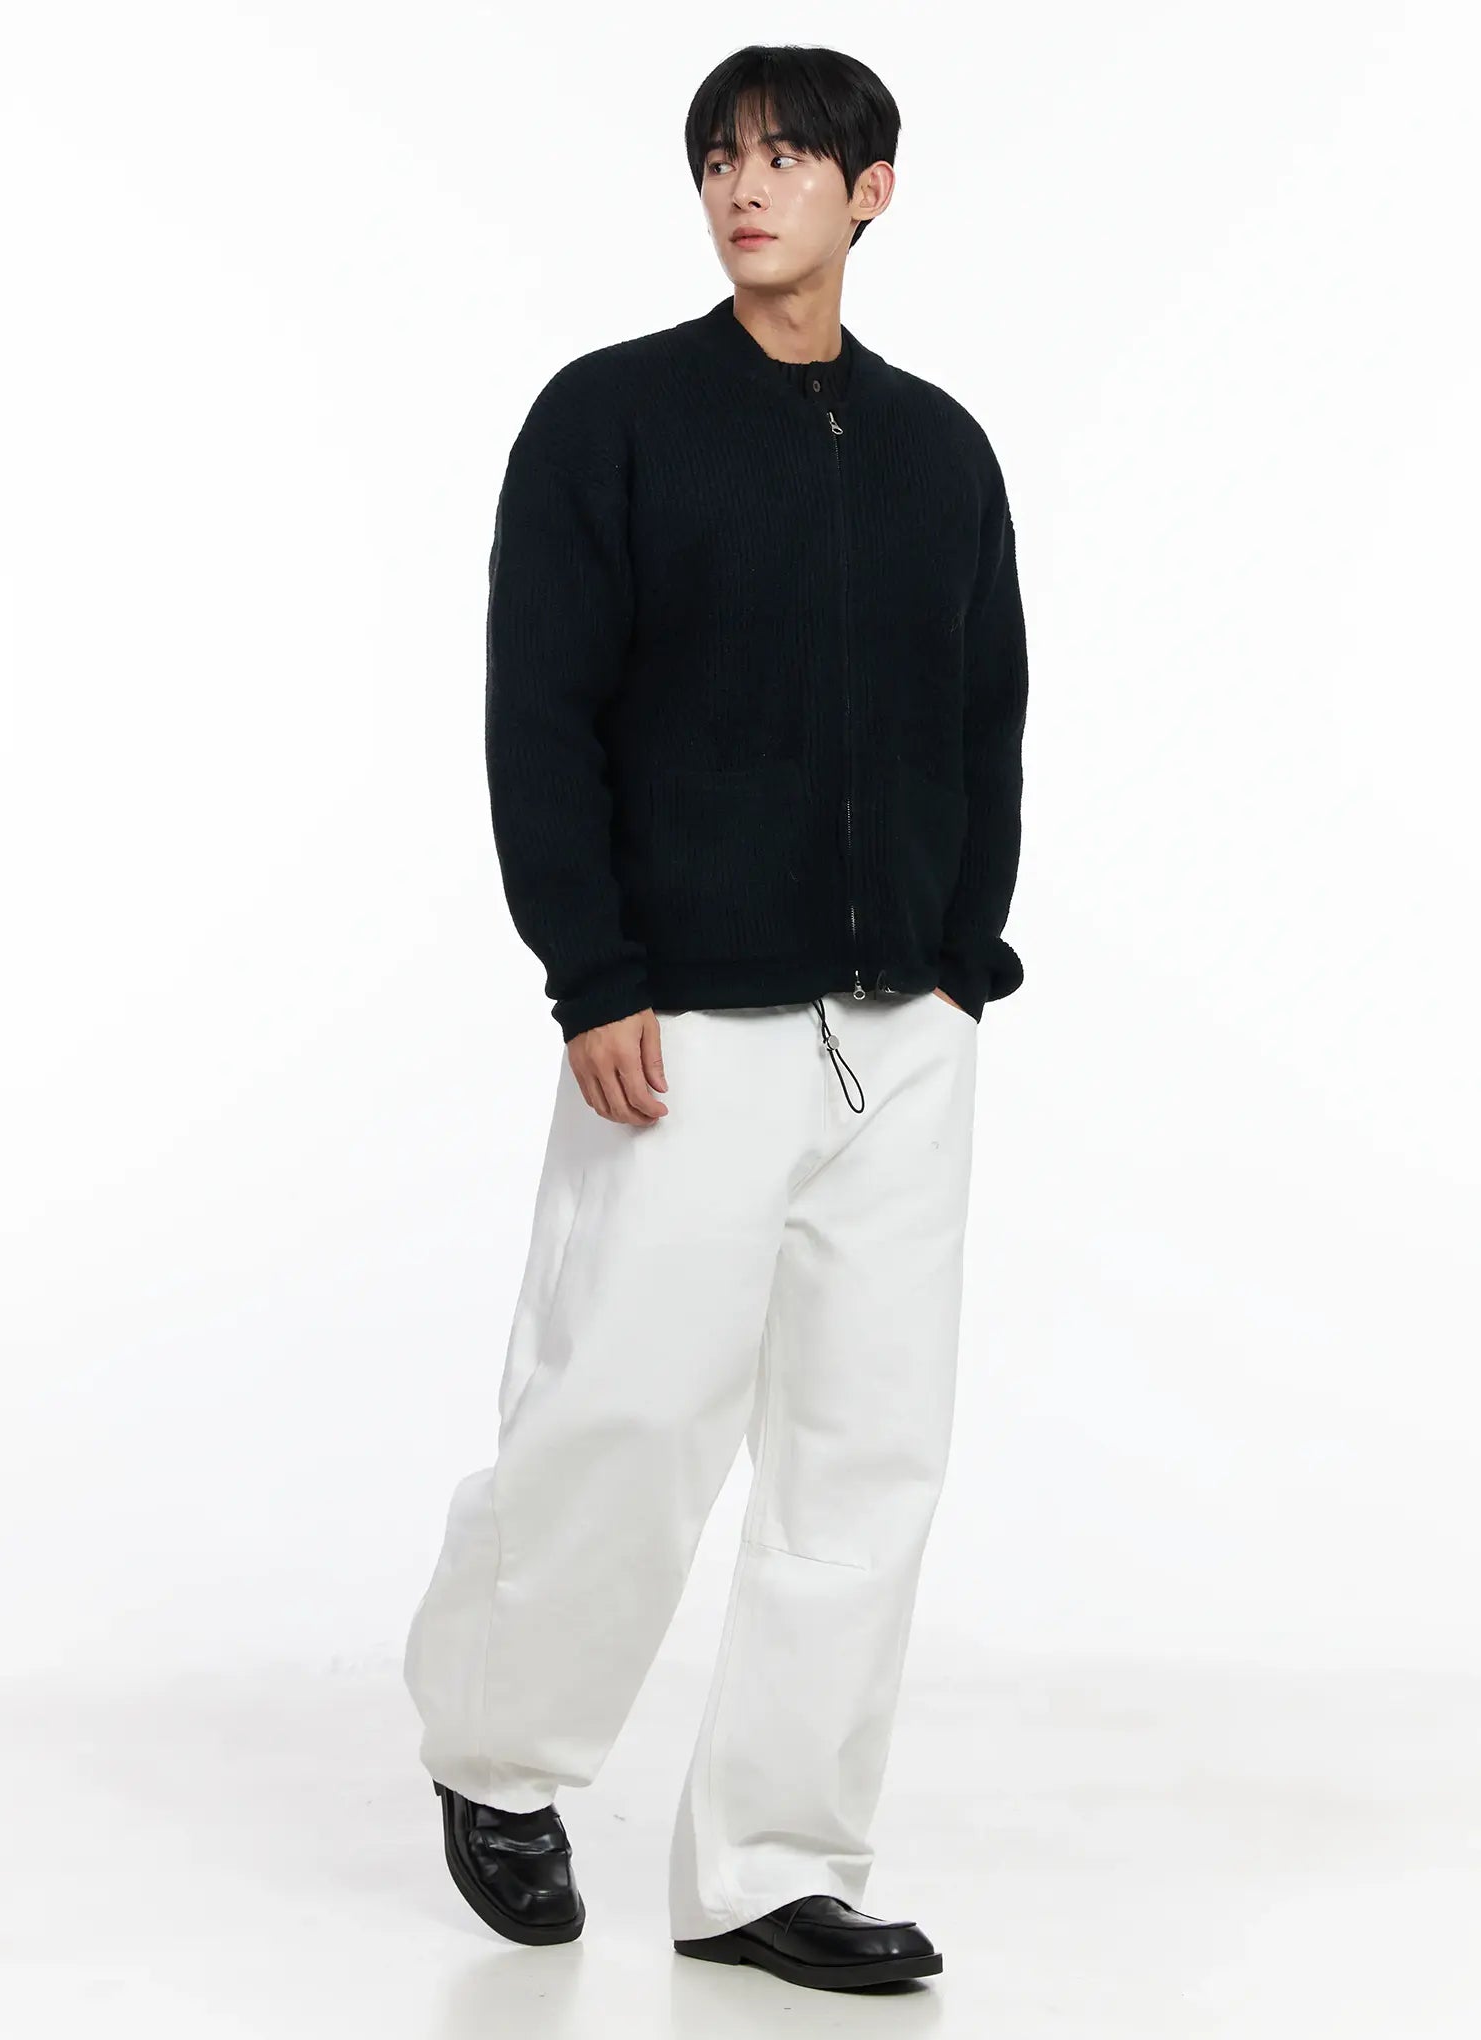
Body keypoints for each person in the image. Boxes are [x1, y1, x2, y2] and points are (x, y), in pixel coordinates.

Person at [402, 41, 1029, 1994]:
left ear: (871, 190)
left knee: (865, 1453)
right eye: (720, 160)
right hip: (678, 1021)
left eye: (787, 158)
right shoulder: (610, 421)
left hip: (903, 1034)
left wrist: (961, 954)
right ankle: (497, 1753)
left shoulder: (941, 452)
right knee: (620, 1412)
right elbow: (539, 713)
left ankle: (770, 1862)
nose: (746, 189)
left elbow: (988, 709)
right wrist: (594, 972)